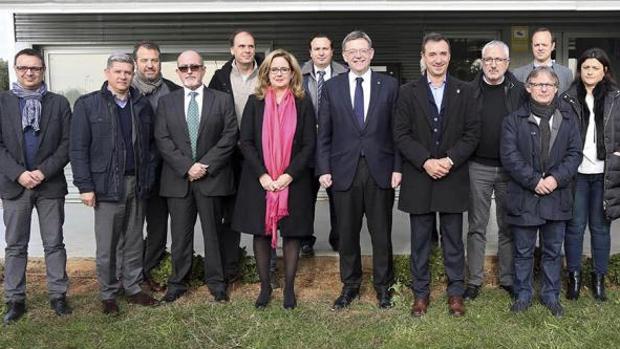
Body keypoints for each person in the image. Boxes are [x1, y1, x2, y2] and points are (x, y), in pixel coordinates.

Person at [394, 32, 479, 317]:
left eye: (443, 53)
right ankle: (421, 294)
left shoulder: (465, 90)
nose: (438, 59)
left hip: (452, 176)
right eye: (432, 54)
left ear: (449, 56)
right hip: (420, 176)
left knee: (453, 240)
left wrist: (450, 159)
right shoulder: (407, 92)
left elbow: (472, 134)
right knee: (420, 241)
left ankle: (456, 292)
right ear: (423, 57)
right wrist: (426, 161)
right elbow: (401, 134)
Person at [317, 30, 401, 310]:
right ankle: (350, 285)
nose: (358, 55)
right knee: (347, 233)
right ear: (344, 56)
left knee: (381, 233)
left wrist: (398, 167)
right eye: (352, 51)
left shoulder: (389, 85)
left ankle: (383, 286)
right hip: (343, 171)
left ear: (372, 53)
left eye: (363, 50)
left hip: (380, 170)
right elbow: (324, 134)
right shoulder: (331, 88)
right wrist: (324, 168)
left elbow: (397, 132)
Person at [71, 52, 159, 314]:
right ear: (107, 73)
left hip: (137, 182)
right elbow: (78, 149)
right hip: (106, 185)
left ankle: (131, 287)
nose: (123, 76)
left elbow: (150, 148)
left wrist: (149, 177)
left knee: (133, 239)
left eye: (127, 72)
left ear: (133, 75)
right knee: (108, 243)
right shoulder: (88, 105)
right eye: (118, 71)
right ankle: (108, 293)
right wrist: (85, 186)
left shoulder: (141, 104)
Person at [232, 49, 315, 309]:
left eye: (284, 69)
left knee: (292, 234)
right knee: (261, 232)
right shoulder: (255, 102)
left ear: (293, 74)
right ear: (267, 72)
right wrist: (264, 175)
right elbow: (245, 142)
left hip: (294, 180)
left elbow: (308, 144)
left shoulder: (303, 101)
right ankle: (265, 287)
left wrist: (289, 175)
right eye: (274, 69)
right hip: (260, 181)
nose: (279, 73)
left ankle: (289, 288)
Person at [155, 50, 238, 304]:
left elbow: (229, 135)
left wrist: (204, 165)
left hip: (211, 179)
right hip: (179, 181)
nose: (189, 71)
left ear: (203, 70)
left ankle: (217, 283)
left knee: (213, 234)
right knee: (180, 236)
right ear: (177, 72)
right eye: (184, 68)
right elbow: (162, 139)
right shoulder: (167, 102)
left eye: (194, 67)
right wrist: (187, 167)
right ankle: (178, 283)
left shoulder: (222, 100)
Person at [500, 66, 582, 317]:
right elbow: (510, 157)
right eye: (538, 84)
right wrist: (535, 181)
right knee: (523, 251)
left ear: (556, 88)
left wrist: (555, 179)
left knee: (552, 251)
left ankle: (550, 295)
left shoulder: (568, 119)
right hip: (525, 196)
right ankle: (523, 294)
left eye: (549, 85)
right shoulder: (513, 121)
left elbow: (574, 154)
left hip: (557, 196)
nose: (544, 89)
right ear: (528, 88)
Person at [0, 48, 72, 324]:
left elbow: (67, 144)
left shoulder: (59, 103)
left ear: (43, 71)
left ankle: (58, 296)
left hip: (49, 185)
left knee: (54, 243)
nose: (29, 73)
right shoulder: (3, 102)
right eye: (23, 68)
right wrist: (19, 174)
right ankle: (15, 299)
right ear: (16, 70)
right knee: (15, 245)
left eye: (35, 68)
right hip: (14, 185)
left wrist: (42, 172)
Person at [464, 40, 527, 300]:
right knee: (476, 226)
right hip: (477, 166)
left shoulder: (520, 91)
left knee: (507, 225)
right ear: (482, 61)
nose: (493, 64)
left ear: (507, 63)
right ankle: (474, 281)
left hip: (509, 169)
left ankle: (508, 278)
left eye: (498, 60)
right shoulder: (468, 91)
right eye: (488, 59)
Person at [561, 48, 620, 301]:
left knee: (600, 228)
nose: (590, 72)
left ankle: (599, 280)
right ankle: (574, 278)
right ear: (579, 70)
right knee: (574, 228)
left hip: (604, 173)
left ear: (604, 71)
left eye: (595, 67)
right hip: (577, 174)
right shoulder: (568, 98)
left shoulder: (616, 98)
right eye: (586, 67)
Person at [209, 29, 262, 285]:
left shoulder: (266, 73)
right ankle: (230, 267)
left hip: (261, 154)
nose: (247, 50)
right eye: (241, 46)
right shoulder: (219, 78)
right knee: (230, 214)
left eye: (250, 46)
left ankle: (266, 266)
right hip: (231, 155)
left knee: (264, 210)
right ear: (232, 50)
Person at [131, 40, 181, 291]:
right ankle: (127, 273)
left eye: (155, 60)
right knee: (129, 228)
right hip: (134, 172)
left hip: (165, 172)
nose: (150, 65)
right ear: (135, 63)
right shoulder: (124, 90)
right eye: (145, 60)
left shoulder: (173, 90)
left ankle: (146, 272)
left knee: (158, 228)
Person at [300, 33, 348, 255]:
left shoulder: (344, 74)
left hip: (335, 146)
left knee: (338, 198)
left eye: (325, 49)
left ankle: (337, 239)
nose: (320, 53)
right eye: (316, 49)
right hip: (306, 146)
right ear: (310, 52)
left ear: (332, 51)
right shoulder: (298, 76)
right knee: (304, 197)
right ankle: (305, 240)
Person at [512, 27, 573, 94]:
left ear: (552, 46)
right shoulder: (518, 74)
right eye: (537, 45)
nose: (540, 48)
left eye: (544, 45)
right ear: (532, 46)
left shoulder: (566, 74)